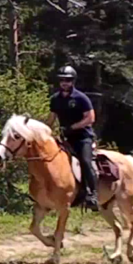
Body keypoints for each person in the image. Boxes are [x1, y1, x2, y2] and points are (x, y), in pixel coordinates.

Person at [50, 65, 99, 210]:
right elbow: (51, 119)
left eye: (68, 80)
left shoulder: (81, 98)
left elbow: (90, 118)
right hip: (65, 138)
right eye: (62, 80)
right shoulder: (55, 99)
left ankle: (93, 194)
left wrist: (72, 127)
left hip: (83, 138)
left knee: (85, 161)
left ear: (73, 81)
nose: (65, 82)